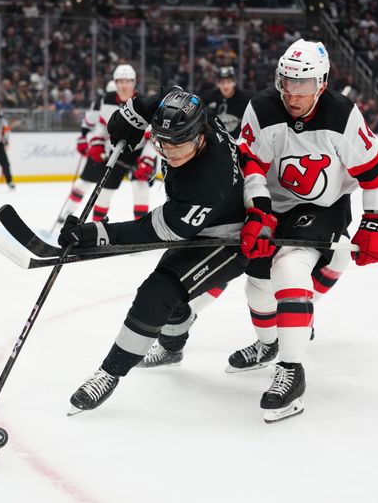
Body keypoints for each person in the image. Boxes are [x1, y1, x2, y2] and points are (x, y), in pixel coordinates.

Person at [234, 39, 378, 422]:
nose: (292, 93)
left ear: (321, 83)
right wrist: (258, 210)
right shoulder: (261, 107)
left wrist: (377, 219)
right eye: (286, 82)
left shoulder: (342, 114)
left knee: (288, 267)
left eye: (303, 84)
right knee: (256, 285)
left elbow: (375, 169)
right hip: (274, 207)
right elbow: (251, 163)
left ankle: (291, 372)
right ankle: (269, 344)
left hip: (323, 207)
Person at [59, 88, 248, 415]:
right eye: (162, 142)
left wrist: (99, 233)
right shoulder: (195, 116)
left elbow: (154, 231)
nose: (169, 152)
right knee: (174, 297)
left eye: (178, 144)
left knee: (158, 291)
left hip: (230, 236)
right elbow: (162, 97)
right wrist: (128, 117)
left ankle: (109, 373)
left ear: (199, 136)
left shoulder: (208, 179)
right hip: (203, 219)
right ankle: (172, 350)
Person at [56, 64, 156, 226]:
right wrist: (95, 144)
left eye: (128, 81)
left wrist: (147, 160)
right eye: (120, 81)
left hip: (138, 153)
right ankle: (95, 228)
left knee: (141, 192)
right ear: (115, 83)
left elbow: (152, 138)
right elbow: (101, 126)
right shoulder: (107, 100)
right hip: (115, 152)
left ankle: (141, 230)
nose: (124, 85)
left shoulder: (144, 102)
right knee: (103, 193)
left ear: (134, 82)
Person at [201, 66, 253, 139]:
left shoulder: (246, 98)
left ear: (234, 82)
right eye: (222, 82)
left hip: (240, 140)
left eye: (228, 82)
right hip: (217, 140)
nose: (225, 86)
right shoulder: (208, 98)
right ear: (218, 84)